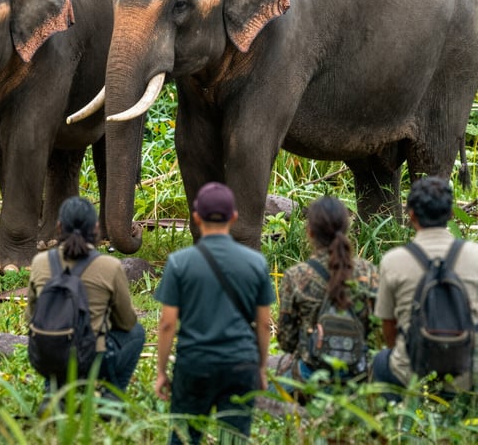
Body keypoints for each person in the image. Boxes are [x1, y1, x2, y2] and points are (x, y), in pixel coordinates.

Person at [154, 182, 274, 443]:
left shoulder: (179, 262)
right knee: (233, 439)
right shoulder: (256, 263)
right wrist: (261, 368)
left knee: (184, 438)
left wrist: (162, 371)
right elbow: (264, 324)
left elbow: (167, 324)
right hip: (241, 363)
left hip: (194, 364)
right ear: (234, 217)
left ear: (196, 217)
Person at [26, 196, 145, 401]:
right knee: (137, 333)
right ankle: (112, 396)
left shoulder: (39, 262)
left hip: (45, 358)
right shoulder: (110, 266)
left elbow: (31, 317)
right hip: (92, 359)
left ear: (59, 227)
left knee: (55, 339)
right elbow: (126, 322)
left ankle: (54, 393)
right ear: (96, 227)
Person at [372, 175, 478, 395]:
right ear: (451, 214)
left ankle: (396, 423)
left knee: (379, 362)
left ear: (410, 215)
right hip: (468, 372)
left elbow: (388, 326)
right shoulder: (475, 255)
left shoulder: (393, 260)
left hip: (411, 373)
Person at [277, 196, 378, 383]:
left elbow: (286, 341)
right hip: (359, 375)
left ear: (310, 232)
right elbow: (378, 330)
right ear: (347, 228)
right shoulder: (368, 272)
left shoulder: (296, 275)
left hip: (311, 376)